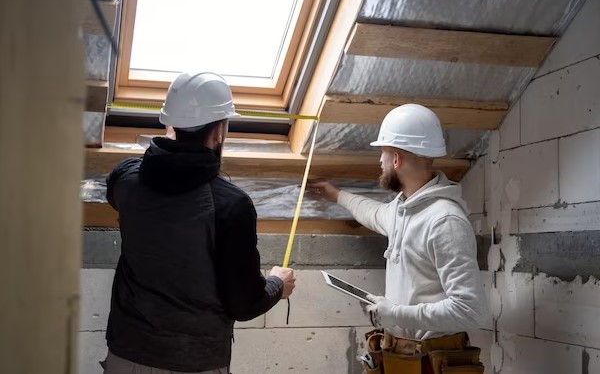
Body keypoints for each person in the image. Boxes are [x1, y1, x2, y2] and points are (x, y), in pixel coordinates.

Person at [103, 72, 296, 374]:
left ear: (170, 125)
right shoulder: (232, 205)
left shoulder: (126, 180)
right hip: (195, 363)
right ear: (219, 131)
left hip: (125, 356)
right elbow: (244, 304)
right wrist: (277, 284)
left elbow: (125, 186)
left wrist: (166, 152)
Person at [309, 104, 488, 373]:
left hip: (433, 362)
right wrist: (337, 195)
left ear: (396, 159)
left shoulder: (444, 221)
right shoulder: (403, 208)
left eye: (382, 153)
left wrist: (395, 312)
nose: (379, 162)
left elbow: (470, 310)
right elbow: (375, 214)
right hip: (404, 357)